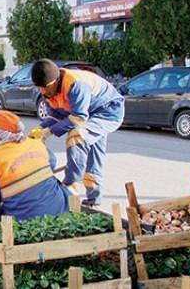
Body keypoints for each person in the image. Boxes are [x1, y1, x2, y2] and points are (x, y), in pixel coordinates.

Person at [30, 58, 124, 207]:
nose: (42, 91)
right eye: (39, 87)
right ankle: (93, 200)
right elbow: (55, 115)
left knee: (77, 136)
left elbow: (79, 117)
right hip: (90, 113)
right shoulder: (48, 91)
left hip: (108, 112)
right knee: (95, 154)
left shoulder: (76, 84)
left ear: (55, 81)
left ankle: (72, 184)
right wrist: (41, 129)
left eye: (45, 87)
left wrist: (50, 132)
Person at [0, 110, 70, 224]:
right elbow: (52, 162)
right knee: (59, 188)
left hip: (25, 224)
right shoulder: (36, 144)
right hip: (60, 211)